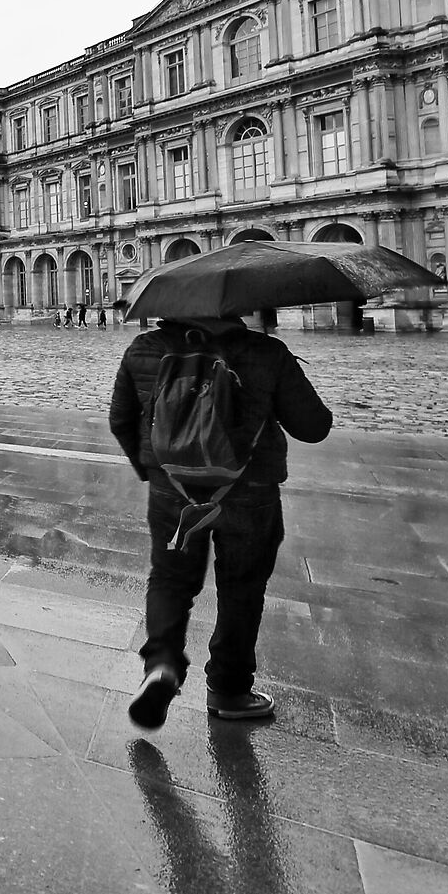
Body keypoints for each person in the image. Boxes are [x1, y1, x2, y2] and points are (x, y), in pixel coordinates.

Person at [110, 311, 333, 729]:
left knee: (171, 579)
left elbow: (120, 420)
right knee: (243, 588)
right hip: (249, 493)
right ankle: (229, 691)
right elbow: (314, 426)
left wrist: (155, 472)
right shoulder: (265, 351)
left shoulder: (143, 349)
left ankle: (161, 665)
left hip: (171, 491)